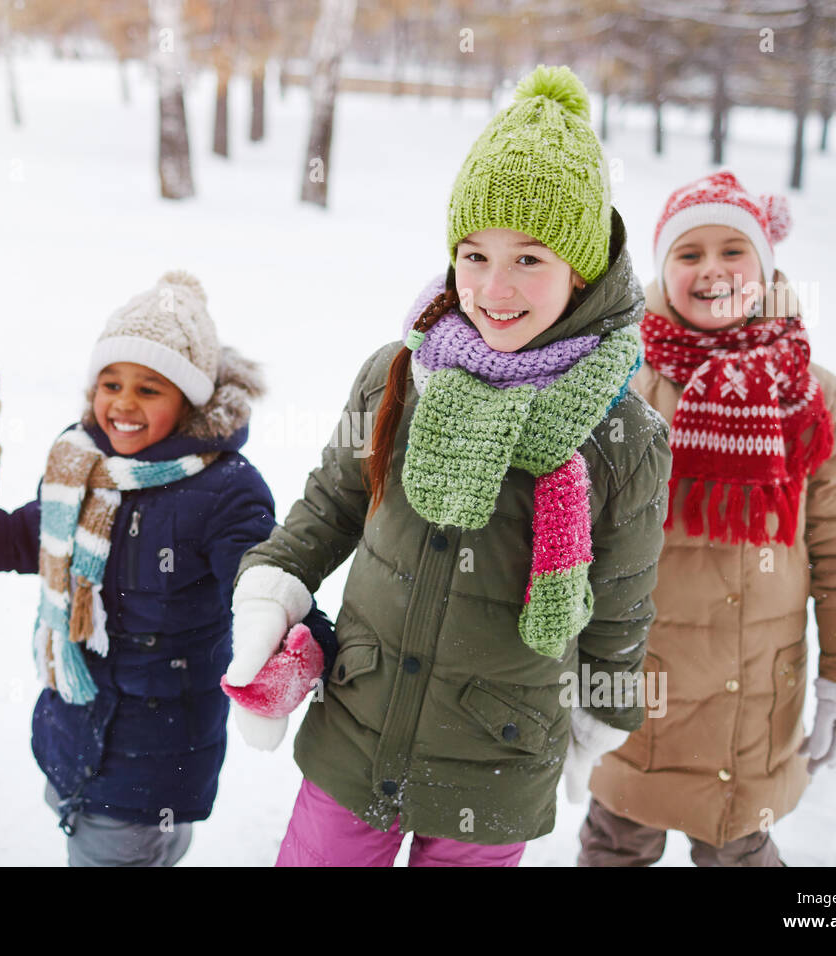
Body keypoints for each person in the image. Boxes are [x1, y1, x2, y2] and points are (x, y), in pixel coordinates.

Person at [221, 66, 672, 866]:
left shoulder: (622, 431)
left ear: (583, 269)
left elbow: (621, 603)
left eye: (530, 258)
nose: (494, 287)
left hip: (501, 754)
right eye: (474, 254)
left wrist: (600, 716)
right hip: (357, 731)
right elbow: (332, 503)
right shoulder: (399, 372)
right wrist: (271, 588)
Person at [0, 270, 333, 866]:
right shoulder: (79, 460)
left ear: (191, 402)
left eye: (150, 389)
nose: (122, 404)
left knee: (115, 844)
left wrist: (298, 643)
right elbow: (32, 535)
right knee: (99, 822)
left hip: (159, 735)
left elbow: (257, 582)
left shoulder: (224, 490)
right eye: (110, 383)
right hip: (74, 713)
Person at [579, 170, 836, 866]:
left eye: (732, 250)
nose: (712, 270)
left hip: (751, 692)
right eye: (689, 254)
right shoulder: (623, 377)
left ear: (764, 263)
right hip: (635, 682)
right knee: (616, 839)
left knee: (739, 845)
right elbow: (569, 533)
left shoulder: (811, 392)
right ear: (662, 270)